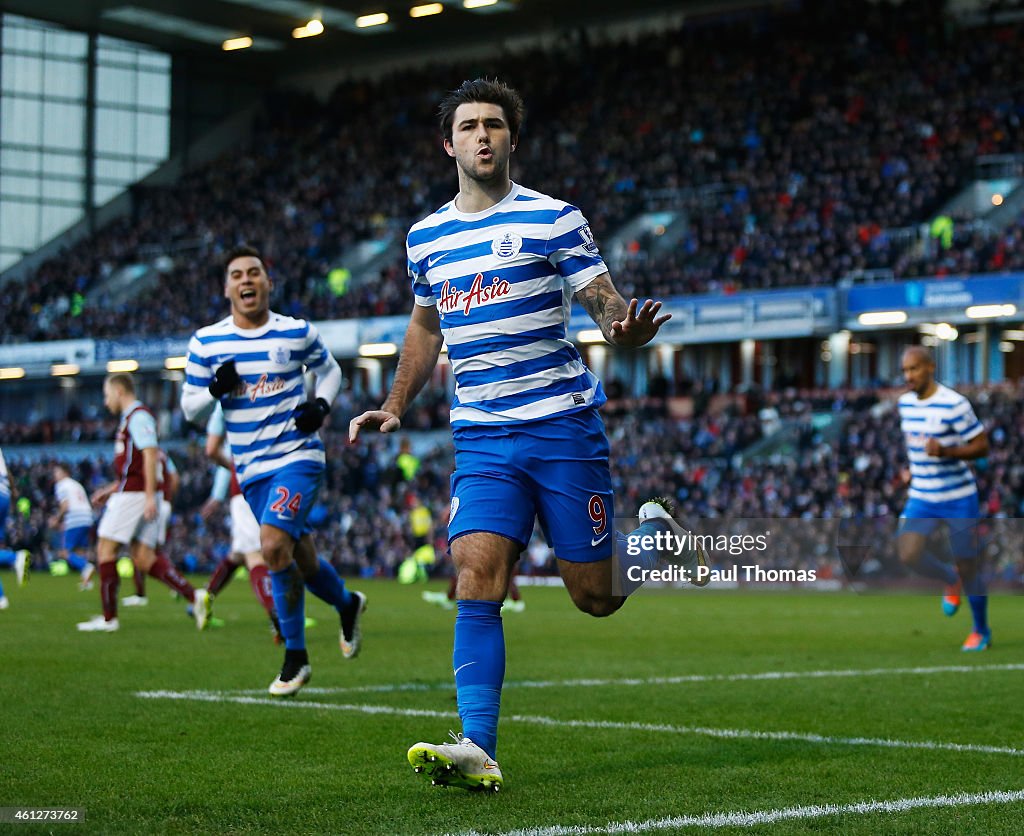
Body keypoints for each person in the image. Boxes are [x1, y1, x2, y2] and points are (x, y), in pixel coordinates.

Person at [349, 78, 704, 792]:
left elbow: (603, 300)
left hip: (562, 428)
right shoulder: (426, 237)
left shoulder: (553, 219)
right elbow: (425, 326)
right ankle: (477, 744)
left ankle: (658, 542)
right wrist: (394, 402)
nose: (483, 136)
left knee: (593, 597)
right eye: (470, 126)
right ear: (447, 143)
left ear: (513, 138)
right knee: (475, 572)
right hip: (481, 436)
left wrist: (621, 330)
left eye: (496, 125)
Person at [180, 244, 367, 696]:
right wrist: (213, 389)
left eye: (255, 273)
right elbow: (190, 410)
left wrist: (320, 406)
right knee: (298, 558)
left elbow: (331, 371)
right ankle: (346, 604)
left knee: (271, 546)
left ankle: (296, 658)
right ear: (227, 289)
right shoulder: (207, 342)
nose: (246, 281)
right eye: (237, 275)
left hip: (298, 457)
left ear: (268, 282)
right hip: (251, 472)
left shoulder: (296, 332)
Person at [79, 373, 211, 632]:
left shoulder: (137, 417)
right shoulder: (133, 419)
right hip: (137, 492)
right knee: (143, 557)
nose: (106, 403)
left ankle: (109, 619)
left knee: (105, 549)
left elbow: (150, 455)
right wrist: (111, 489)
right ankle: (195, 597)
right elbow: (138, 464)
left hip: (136, 495)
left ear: (118, 391)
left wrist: (149, 495)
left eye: (106, 396)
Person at [896, 346, 991, 651]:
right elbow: (916, 445)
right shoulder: (904, 404)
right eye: (905, 371)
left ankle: (981, 630)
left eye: (914, 369)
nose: (909, 376)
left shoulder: (954, 404)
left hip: (959, 497)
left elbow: (982, 446)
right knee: (908, 554)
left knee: (969, 564)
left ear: (930, 367)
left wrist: (947, 451)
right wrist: (910, 472)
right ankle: (950, 579)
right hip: (922, 495)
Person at [199, 403, 281, 640]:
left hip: (244, 485)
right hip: (274, 480)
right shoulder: (271, 390)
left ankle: (205, 596)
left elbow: (213, 450)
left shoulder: (225, 401)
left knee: (243, 552)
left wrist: (234, 470)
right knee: (253, 553)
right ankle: (276, 613)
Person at [49, 463, 96, 591]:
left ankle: (87, 567)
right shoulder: (76, 484)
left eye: (57, 472)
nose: (55, 475)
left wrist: (56, 519)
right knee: (80, 551)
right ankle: (87, 582)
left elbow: (65, 505)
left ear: (65, 472)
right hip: (87, 517)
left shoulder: (61, 485)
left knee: (65, 552)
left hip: (75, 518)